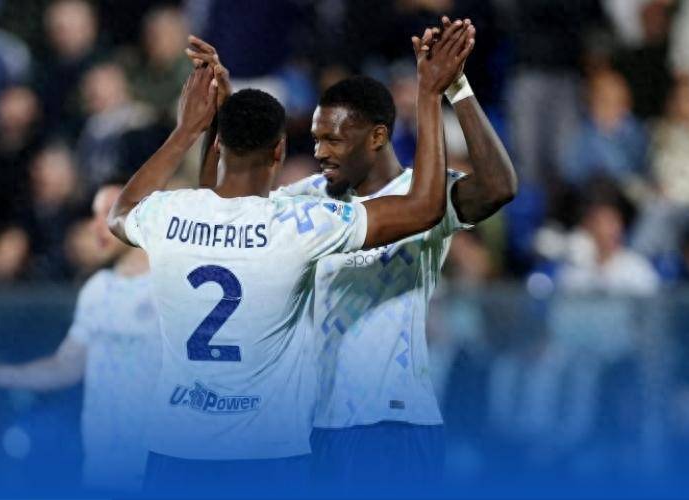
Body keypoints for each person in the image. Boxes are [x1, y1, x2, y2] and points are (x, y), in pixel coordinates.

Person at [106, 21, 472, 495]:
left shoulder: (172, 214)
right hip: (268, 457)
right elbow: (424, 208)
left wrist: (187, 128)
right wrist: (430, 95)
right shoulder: (298, 226)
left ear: (218, 145)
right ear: (279, 151)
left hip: (174, 451)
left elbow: (122, 212)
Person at [187, 15, 516, 487]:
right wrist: (223, 120)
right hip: (315, 423)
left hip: (395, 423)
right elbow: (218, 209)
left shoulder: (421, 194)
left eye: (333, 139)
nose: (320, 151)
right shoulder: (308, 198)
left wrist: (455, 89)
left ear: (377, 137)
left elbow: (500, 186)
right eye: (317, 139)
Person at [0, 184, 159, 492]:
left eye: (110, 213)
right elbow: (66, 366)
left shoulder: (174, 285)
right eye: (95, 215)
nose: (97, 226)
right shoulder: (98, 289)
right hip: (104, 470)